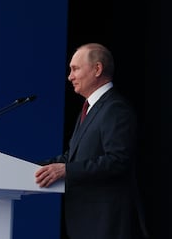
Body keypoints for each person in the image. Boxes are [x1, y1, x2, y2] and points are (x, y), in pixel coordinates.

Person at [35, 43, 147, 239]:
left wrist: (66, 170)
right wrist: (32, 168)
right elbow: (73, 157)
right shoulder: (89, 109)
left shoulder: (115, 108)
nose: (70, 76)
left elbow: (117, 160)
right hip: (85, 222)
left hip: (107, 223)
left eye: (75, 69)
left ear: (97, 69)